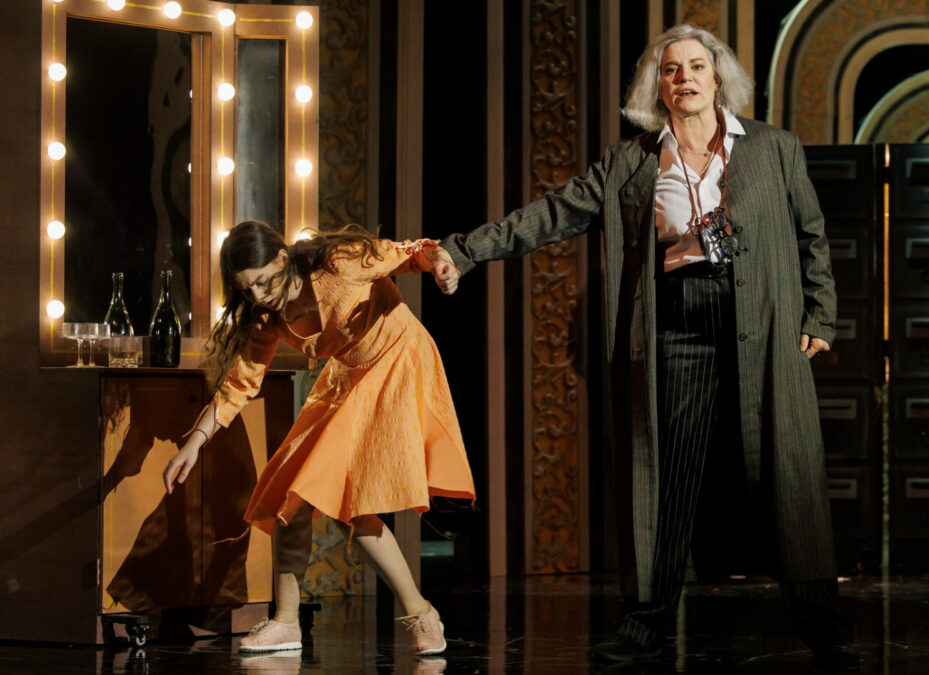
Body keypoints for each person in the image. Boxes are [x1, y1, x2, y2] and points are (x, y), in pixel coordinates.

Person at [432, 23, 856, 668]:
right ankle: (645, 620)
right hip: (675, 326)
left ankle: (821, 621)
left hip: (764, 323)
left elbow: (811, 234)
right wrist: (464, 251)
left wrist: (820, 314)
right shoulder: (630, 160)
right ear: (656, 86)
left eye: (696, 66)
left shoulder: (773, 147)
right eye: (670, 69)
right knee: (664, 477)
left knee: (786, 470)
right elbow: (551, 213)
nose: (684, 78)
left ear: (718, 77)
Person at [162, 221, 474, 655]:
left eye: (263, 282)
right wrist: (195, 441)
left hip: (397, 360)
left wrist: (442, 264)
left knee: (354, 504)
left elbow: (411, 252)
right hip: (349, 376)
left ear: (282, 259)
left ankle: (421, 614)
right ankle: (286, 623)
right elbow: (240, 383)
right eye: (246, 290)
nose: (258, 295)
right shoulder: (267, 317)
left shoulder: (339, 263)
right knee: (290, 495)